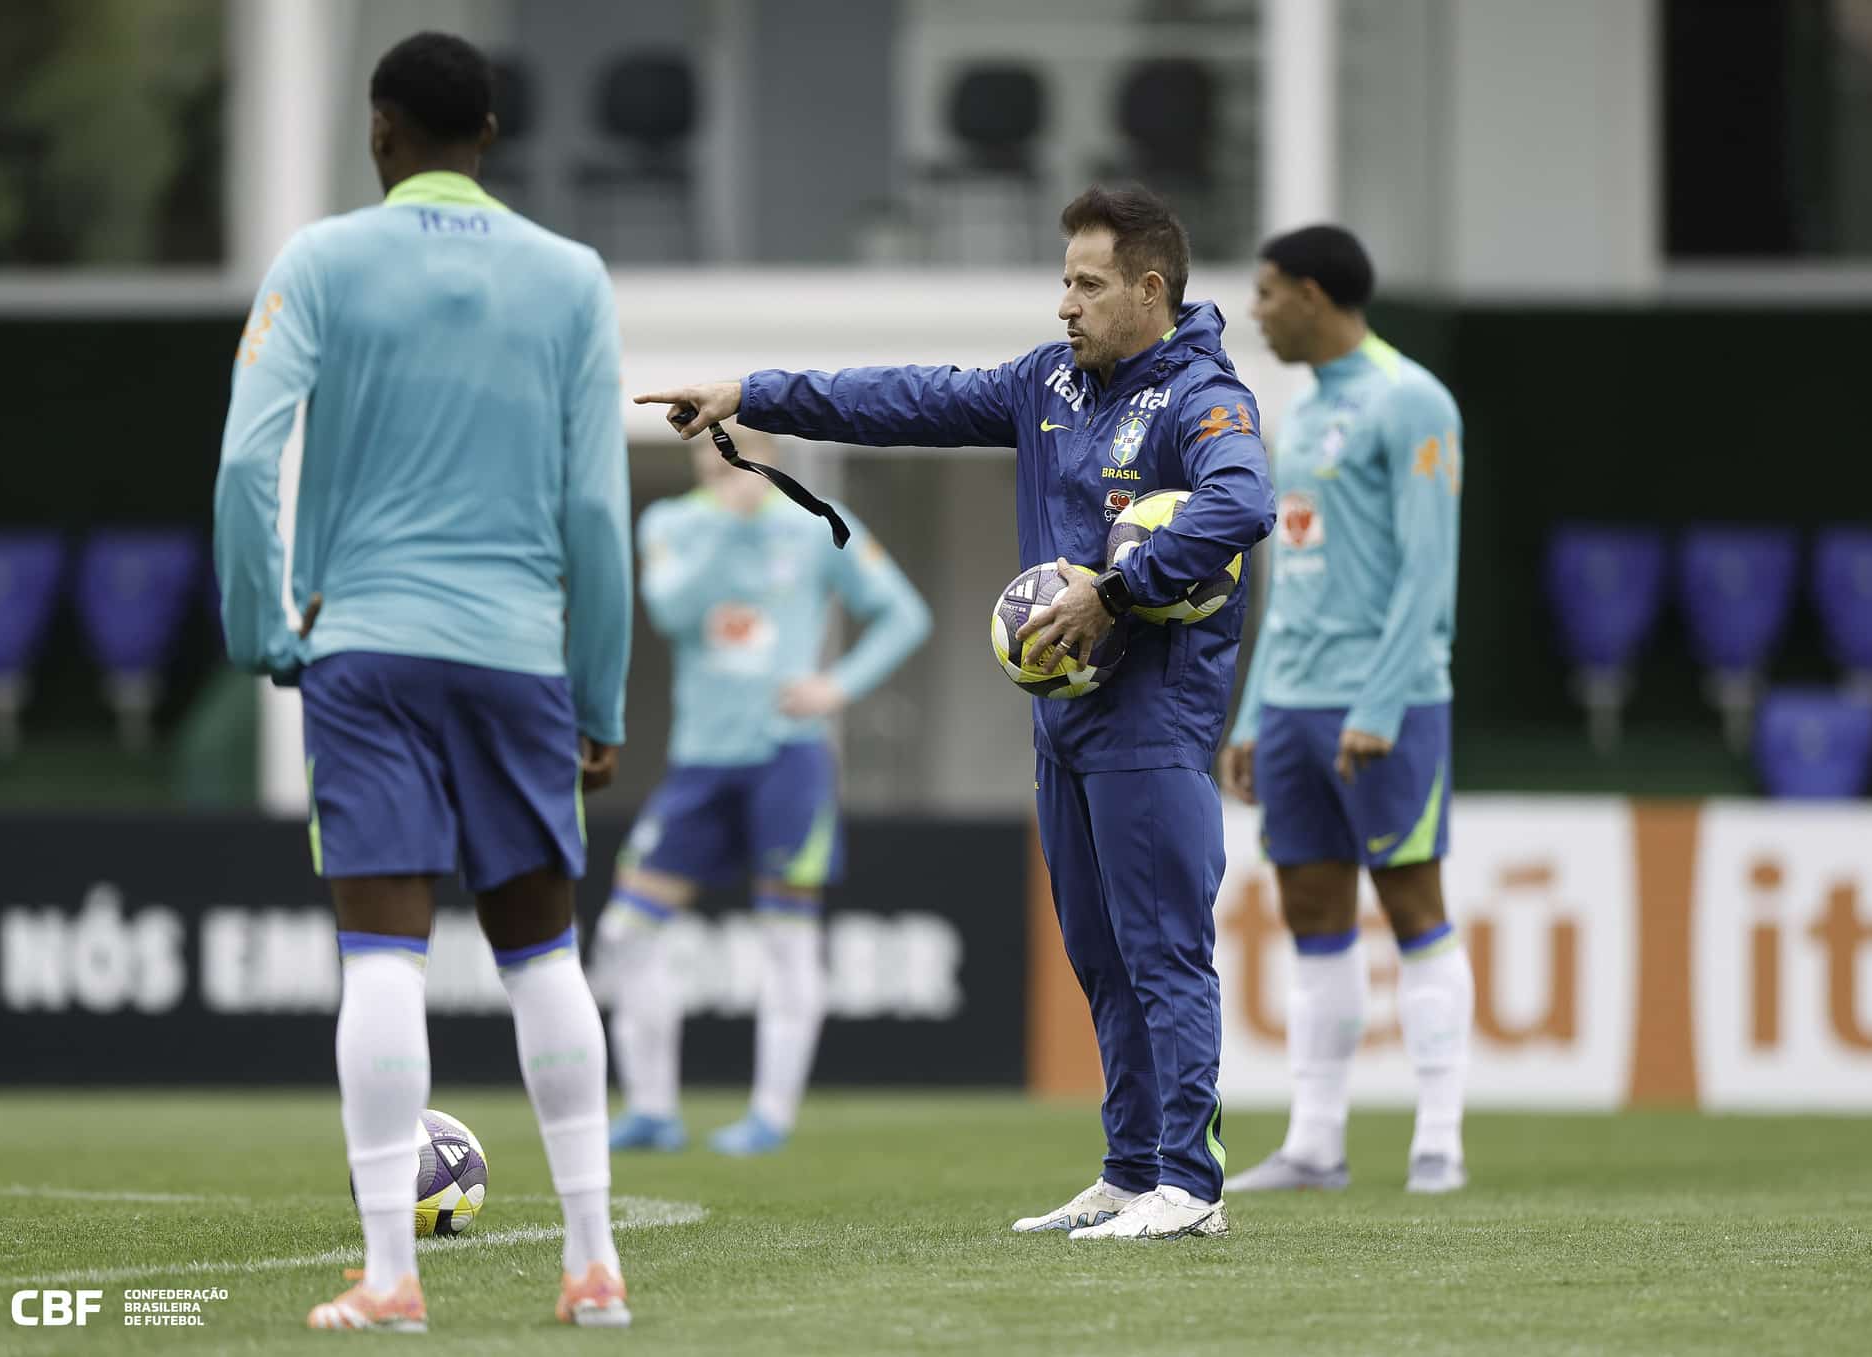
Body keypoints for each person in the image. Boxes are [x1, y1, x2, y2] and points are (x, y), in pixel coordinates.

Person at [640, 185, 1275, 1241]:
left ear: (1149, 289)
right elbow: (899, 399)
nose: (1064, 301)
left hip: (1153, 721)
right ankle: (1128, 1171)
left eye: (1087, 282)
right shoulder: (1047, 385)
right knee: (1101, 956)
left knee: (1162, 950)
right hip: (1062, 722)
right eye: (1062, 279)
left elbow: (1241, 504)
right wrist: (749, 391)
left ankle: (1190, 1185)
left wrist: (1112, 589)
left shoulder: (1205, 399)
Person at [213, 32, 634, 1330]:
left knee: (385, 953)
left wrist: (263, 633)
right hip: (518, 655)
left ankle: (393, 1277)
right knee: (543, 951)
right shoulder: (573, 279)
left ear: (382, 130)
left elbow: (245, 464)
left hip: (370, 653)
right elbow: (595, 512)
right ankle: (594, 1260)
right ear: (492, 134)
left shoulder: (322, 261)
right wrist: (600, 697)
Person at [596, 425, 930, 1157]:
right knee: (624, 931)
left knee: (786, 941)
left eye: (738, 452)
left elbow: (906, 614)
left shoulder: (817, 523)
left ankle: (769, 1115)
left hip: (789, 756)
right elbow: (670, 611)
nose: (721, 467)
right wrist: (725, 520)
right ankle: (652, 1108)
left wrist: (835, 686)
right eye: (708, 455)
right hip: (701, 760)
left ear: (771, 456)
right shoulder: (673, 523)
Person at [1222, 224, 1470, 1195]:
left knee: (1412, 906)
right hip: (1289, 705)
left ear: (1315, 297)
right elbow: (1286, 577)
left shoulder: (1411, 400)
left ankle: (1438, 1137)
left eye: (1268, 291)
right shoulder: (1298, 411)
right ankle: (1314, 1143)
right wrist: (1249, 716)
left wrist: (1379, 699)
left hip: (1387, 701)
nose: (1256, 309)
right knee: (1310, 912)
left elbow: (1427, 567)